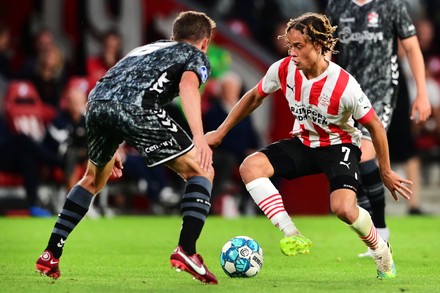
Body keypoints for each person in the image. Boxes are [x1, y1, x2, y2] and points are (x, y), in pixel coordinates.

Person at [205, 13, 412, 279]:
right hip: (303, 142)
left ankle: (380, 250)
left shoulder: (344, 86)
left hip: (339, 146)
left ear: (318, 45)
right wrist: (221, 132)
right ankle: (291, 233)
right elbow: (254, 96)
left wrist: (385, 170)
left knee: (343, 209)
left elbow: (376, 126)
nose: (291, 52)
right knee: (251, 167)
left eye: (298, 46)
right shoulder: (283, 69)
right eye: (289, 45)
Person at [35, 11, 218, 285]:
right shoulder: (195, 55)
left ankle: (51, 253)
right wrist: (199, 137)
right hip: (137, 108)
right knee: (202, 171)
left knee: (92, 179)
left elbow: (114, 87)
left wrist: (115, 140)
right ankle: (187, 251)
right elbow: (188, 87)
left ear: (173, 36)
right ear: (205, 42)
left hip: (96, 104)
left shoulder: (146, 49)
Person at [326, 0, 431, 257]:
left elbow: (412, 47)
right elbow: (327, 50)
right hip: (347, 89)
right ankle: (376, 231)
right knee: (351, 158)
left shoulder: (391, 5)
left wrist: (422, 93)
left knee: (363, 151)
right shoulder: (337, 6)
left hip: (383, 89)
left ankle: (380, 231)